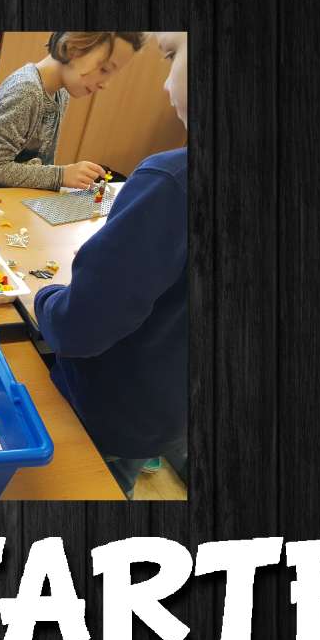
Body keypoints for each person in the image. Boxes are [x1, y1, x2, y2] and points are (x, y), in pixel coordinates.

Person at [32, 32, 189, 499]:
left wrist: (43, 296)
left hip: (110, 410)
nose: (165, 83)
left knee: (91, 481)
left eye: (171, 56)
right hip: (168, 412)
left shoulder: (169, 183)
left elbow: (78, 329)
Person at [0, 31, 146, 191]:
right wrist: (60, 175)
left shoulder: (60, 92)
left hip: (17, 196)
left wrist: (61, 177)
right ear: (72, 48)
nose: (106, 84)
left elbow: (42, 163)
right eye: (104, 69)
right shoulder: (26, 92)